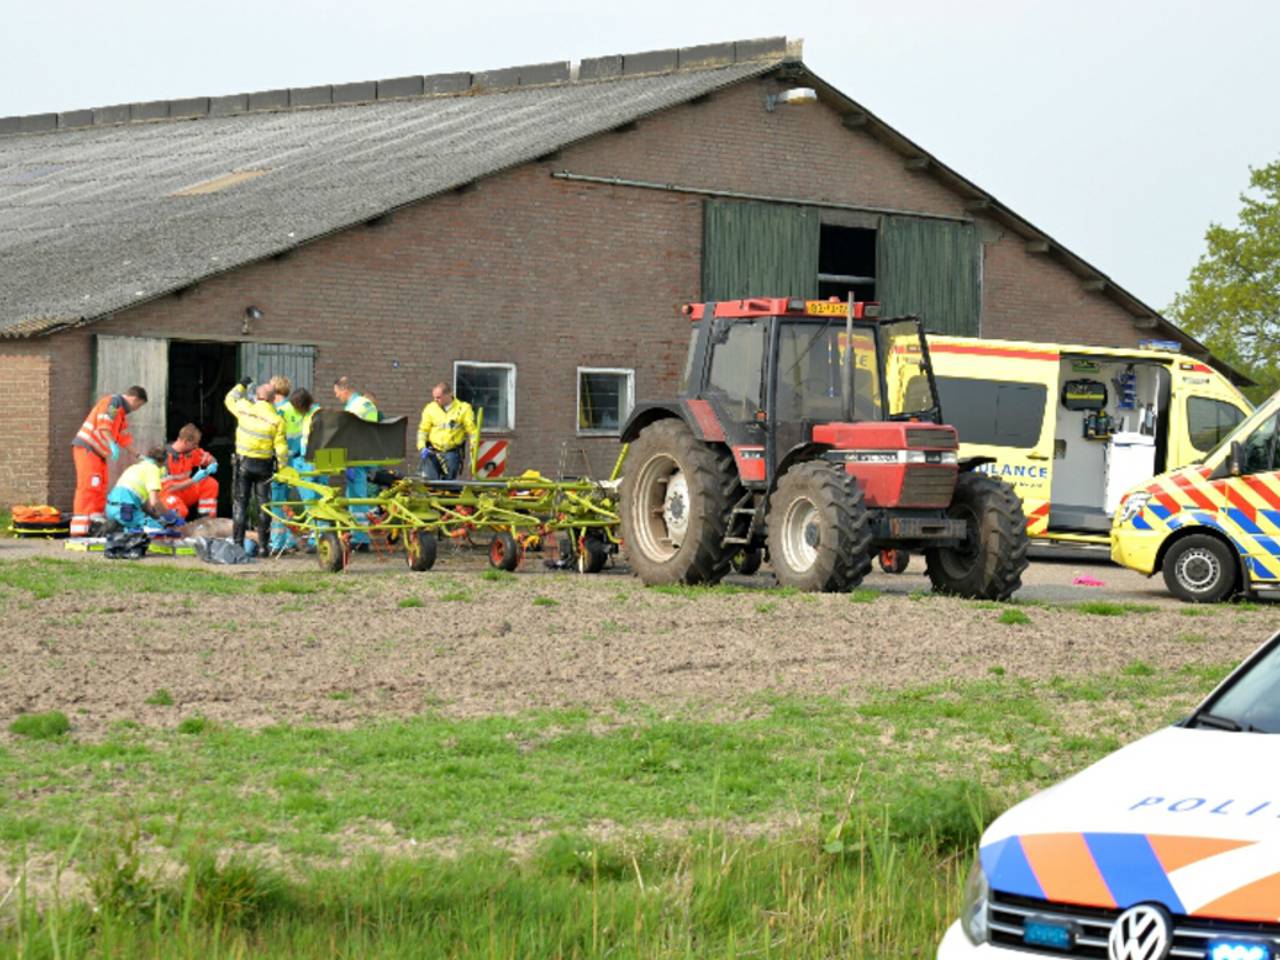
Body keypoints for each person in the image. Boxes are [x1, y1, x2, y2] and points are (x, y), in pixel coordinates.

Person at [70, 385, 148, 536]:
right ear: (134, 399)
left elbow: (124, 439)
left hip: (97, 453)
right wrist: (111, 443)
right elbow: (104, 427)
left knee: (99, 486)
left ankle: (95, 523)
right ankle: (80, 528)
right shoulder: (114, 404)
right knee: (89, 485)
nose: (137, 409)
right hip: (88, 449)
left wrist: (139, 455)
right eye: (138, 405)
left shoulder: (121, 414)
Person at [225, 378, 288, 554]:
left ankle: (238, 545)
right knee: (264, 505)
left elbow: (230, 398)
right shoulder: (277, 420)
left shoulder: (245, 408)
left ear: (257, 396)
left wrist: (242, 385)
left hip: (243, 464)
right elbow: (281, 450)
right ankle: (262, 547)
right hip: (265, 467)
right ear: (273, 398)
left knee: (240, 503)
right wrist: (282, 471)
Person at [332, 377, 378, 547]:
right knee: (360, 495)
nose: (337, 397)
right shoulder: (367, 404)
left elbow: (348, 435)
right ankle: (359, 536)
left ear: (345, 390)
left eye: (337, 393)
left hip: (355, 456)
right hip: (368, 454)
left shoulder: (353, 408)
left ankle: (360, 539)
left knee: (356, 497)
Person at [106, 446, 179, 533]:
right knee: (157, 531)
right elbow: (155, 502)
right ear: (162, 463)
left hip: (112, 509)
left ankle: (124, 530)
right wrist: (169, 516)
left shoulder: (137, 467)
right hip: (125, 511)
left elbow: (144, 505)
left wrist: (156, 517)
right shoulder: (153, 469)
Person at [417, 382, 479, 481]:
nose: (435, 400)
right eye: (434, 397)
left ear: (449, 395)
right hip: (432, 451)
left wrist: (474, 451)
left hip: (452, 452)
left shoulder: (463, 409)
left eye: (438, 397)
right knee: (430, 481)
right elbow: (423, 430)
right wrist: (422, 447)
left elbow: (472, 431)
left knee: (448, 481)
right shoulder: (430, 408)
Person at [268, 375, 302, 552]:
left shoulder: (277, 411)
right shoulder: (295, 409)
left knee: (277, 502)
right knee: (284, 501)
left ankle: (277, 542)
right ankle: (290, 540)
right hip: (295, 461)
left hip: (281, 462)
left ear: (274, 389)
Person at [160, 423, 219, 521]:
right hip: (167, 494)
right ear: (186, 441)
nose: (196, 447)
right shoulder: (164, 457)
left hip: (185, 490)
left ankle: (206, 521)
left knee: (211, 484)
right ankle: (175, 530)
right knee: (181, 511)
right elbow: (167, 490)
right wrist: (194, 480)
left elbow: (208, 458)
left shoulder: (190, 452)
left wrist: (213, 463)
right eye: (194, 444)